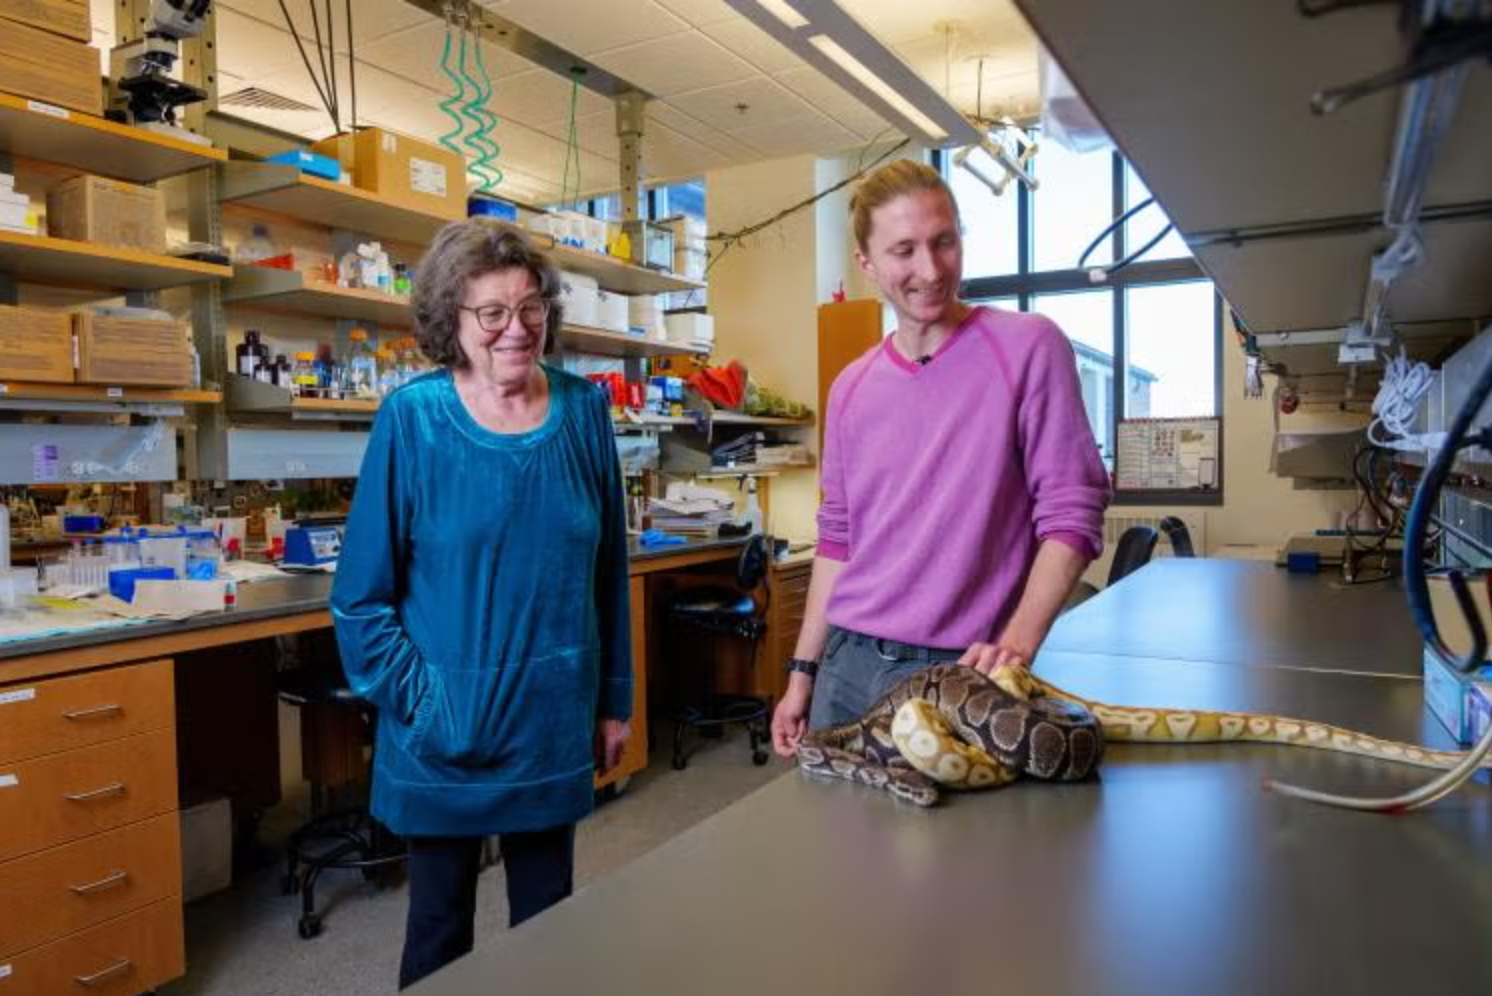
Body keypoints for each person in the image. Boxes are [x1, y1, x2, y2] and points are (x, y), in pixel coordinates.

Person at [330, 221, 632, 989]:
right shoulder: (414, 420)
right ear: (452, 323)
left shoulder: (584, 413)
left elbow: (607, 571)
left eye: (530, 307)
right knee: (438, 936)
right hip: (444, 740)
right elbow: (360, 600)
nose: (515, 328)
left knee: (550, 931)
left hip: (550, 726)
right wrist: (428, 707)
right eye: (491, 313)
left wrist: (612, 702)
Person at [771, 160, 1111, 751]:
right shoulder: (851, 386)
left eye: (944, 242)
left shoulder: (1028, 347)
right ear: (868, 264)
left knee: (952, 845)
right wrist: (802, 673)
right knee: (832, 840)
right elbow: (837, 537)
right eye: (904, 250)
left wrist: (1016, 649)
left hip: (961, 670)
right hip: (845, 663)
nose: (930, 270)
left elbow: (1072, 511)